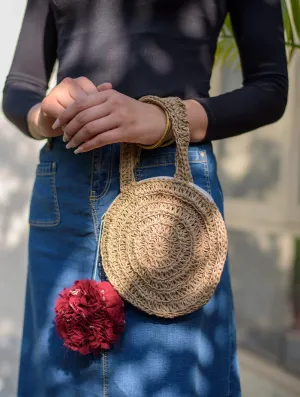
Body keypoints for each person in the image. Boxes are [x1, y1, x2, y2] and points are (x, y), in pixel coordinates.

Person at [2, 1, 288, 396]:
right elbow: (20, 86)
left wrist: (166, 118)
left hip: (171, 189)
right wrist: (43, 114)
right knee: (58, 379)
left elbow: (270, 88)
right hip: (65, 179)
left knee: (171, 382)